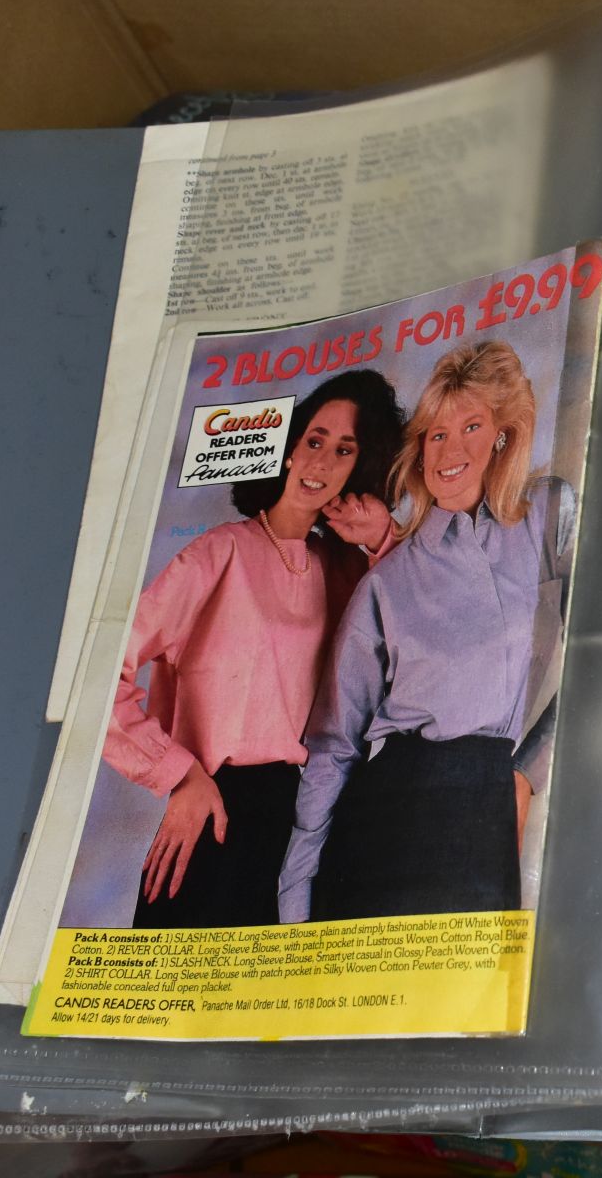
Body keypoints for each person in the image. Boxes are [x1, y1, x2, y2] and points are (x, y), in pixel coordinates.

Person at [278, 339, 573, 924]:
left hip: (486, 801)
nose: (450, 450)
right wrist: (295, 889)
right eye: (436, 434)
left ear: (502, 437)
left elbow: (601, 654)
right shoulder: (387, 582)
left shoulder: (546, 514)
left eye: (470, 426)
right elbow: (336, 745)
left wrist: (525, 770)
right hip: (385, 812)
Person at [105, 368, 404, 928]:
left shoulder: (345, 573)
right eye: (314, 440)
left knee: (270, 1010)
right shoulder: (218, 554)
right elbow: (98, 679)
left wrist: (383, 537)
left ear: (356, 471)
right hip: (215, 810)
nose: (320, 461)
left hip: (309, 820)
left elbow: (419, 641)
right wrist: (180, 775)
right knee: (172, 1003)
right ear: (289, 450)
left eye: (343, 451)